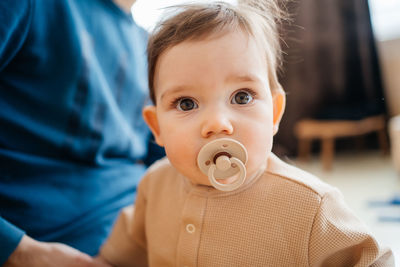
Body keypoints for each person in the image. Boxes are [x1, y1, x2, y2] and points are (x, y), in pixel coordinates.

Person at [99, 1, 395, 266]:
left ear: (275, 113)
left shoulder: (312, 205)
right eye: (186, 103)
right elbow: (127, 251)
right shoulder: (154, 186)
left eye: (242, 97)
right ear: (157, 127)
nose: (217, 123)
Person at [0, 0, 163, 266]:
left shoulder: (149, 46)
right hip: (57, 245)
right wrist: (16, 249)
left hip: (148, 229)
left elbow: (169, 152)